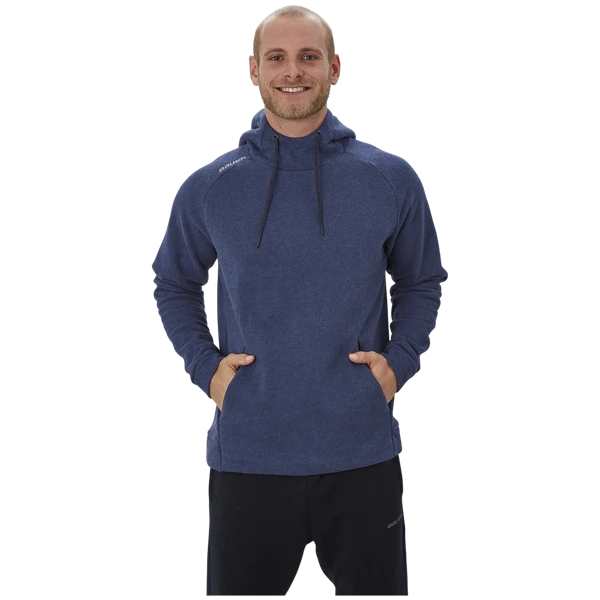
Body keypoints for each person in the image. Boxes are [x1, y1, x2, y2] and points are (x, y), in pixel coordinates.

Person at [152, 5, 446, 598]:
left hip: (361, 450)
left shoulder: (389, 178)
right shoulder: (212, 185)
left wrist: (399, 364)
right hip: (249, 454)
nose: (294, 71)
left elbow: (421, 281)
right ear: (254, 70)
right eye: (278, 58)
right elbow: (173, 284)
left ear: (334, 68)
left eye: (309, 57)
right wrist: (207, 370)